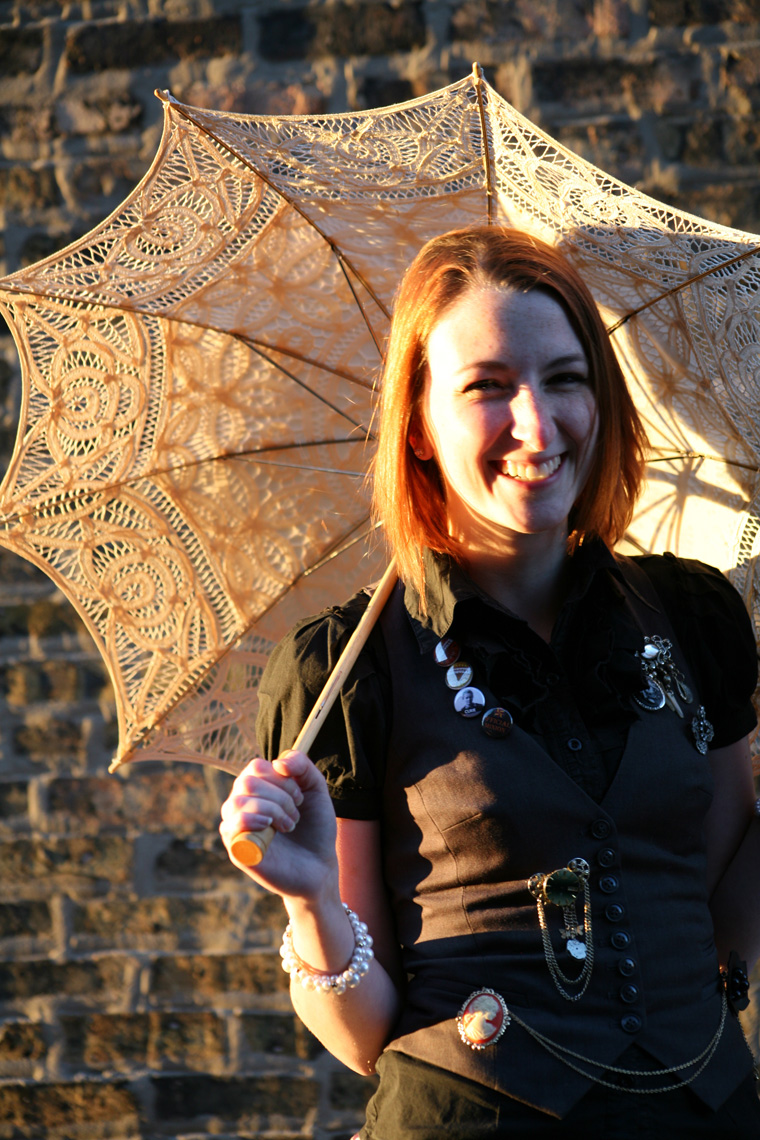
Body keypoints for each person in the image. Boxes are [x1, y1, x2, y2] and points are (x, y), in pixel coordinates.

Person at [219, 226, 760, 1137]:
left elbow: (722, 917)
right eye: (487, 388)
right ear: (421, 426)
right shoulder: (345, 671)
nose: (539, 427)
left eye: (565, 379)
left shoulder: (692, 616)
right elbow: (362, 1038)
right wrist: (310, 898)